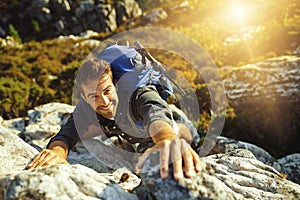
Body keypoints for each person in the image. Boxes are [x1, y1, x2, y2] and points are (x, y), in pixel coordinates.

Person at [26, 57, 201, 180]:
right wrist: (57, 152)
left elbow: (155, 111)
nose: (104, 101)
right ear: (84, 98)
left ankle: (188, 133)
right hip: (128, 135)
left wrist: (168, 138)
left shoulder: (139, 94)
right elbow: (65, 135)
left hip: (157, 130)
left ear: (116, 85)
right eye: (93, 96)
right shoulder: (85, 109)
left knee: (182, 133)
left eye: (107, 91)